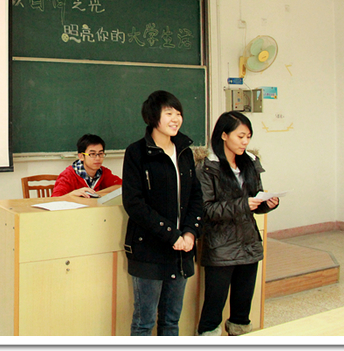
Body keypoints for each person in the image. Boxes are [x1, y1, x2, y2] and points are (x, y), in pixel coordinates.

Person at [122, 90, 203, 336]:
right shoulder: (137, 152)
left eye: (178, 113)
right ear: (152, 116)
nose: (176, 119)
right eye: (169, 113)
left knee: (171, 321)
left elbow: (195, 197)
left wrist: (189, 233)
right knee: (144, 322)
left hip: (181, 251)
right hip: (149, 249)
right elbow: (134, 203)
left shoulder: (185, 151)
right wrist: (172, 235)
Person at [196, 111, 279, 337]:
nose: (245, 142)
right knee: (213, 308)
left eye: (248, 137)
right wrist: (244, 204)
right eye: (240, 136)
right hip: (221, 246)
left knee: (242, 310)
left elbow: (254, 199)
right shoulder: (208, 166)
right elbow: (206, 209)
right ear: (224, 135)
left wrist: (267, 203)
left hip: (248, 243)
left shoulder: (250, 162)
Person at [52, 134, 122, 198]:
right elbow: (55, 200)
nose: (98, 158)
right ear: (81, 156)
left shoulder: (103, 172)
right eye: (92, 154)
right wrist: (71, 195)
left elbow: (122, 186)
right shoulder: (67, 176)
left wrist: (95, 193)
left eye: (100, 154)